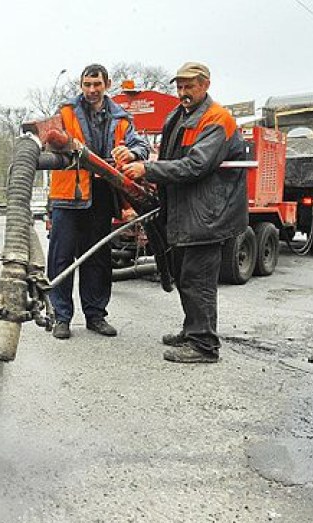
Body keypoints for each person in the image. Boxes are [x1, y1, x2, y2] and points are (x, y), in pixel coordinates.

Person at [122, 62, 247, 363]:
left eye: (189, 86)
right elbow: (170, 158)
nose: (182, 92)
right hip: (185, 212)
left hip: (208, 214)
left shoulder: (218, 119)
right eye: (179, 86)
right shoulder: (179, 116)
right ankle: (193, 330)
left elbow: (197, 165)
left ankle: (204, 345)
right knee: (184, 274)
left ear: (205, 84)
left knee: (198, 279)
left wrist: (148, 169)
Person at [48, 64, 150, 339]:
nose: (92, 90)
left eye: (97, 85)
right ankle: (61, 317)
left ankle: (95, 315)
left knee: (98, 258)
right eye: (87, 85)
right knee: (61, 259)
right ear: (81, 86)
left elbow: (143, 147)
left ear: (107, 85)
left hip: (102, 195)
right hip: (68, 196)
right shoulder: (66, 112)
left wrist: (129, 152)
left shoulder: (121, 117)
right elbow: (49, 140)